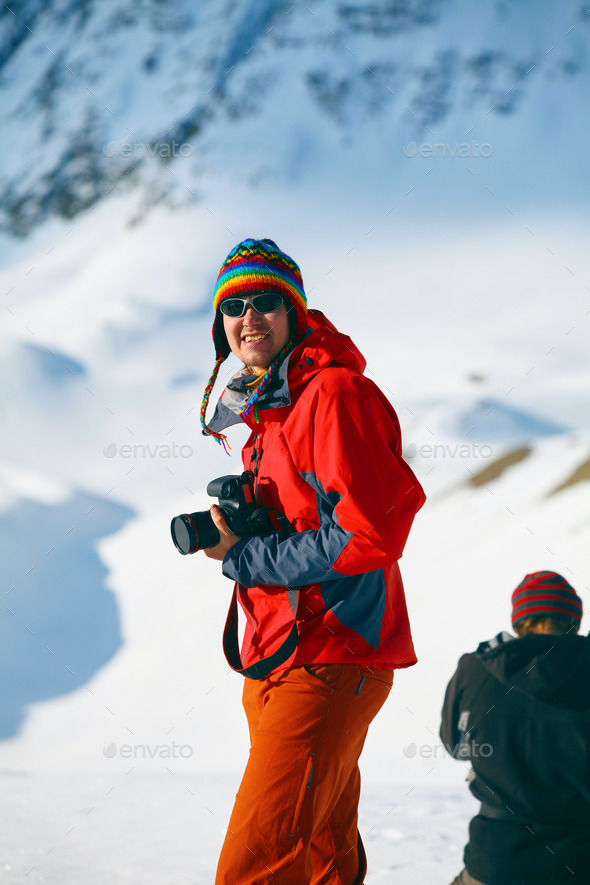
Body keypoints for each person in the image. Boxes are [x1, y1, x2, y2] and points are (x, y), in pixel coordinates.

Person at [197, 237, 426, 884]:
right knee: (322, 852)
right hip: (279, 654)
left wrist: (249, 554)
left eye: (265, 300)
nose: (248, 317)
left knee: (255, 865)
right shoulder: (268, 413)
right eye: (232, 305)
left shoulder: (332, 395)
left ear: (296, 312)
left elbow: (369, 535)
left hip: (331, 655)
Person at [441, 570, 590, 885]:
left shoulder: (476, 668)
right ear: (574, 621)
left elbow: (456, 746)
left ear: (519, 621)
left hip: (496, 860)